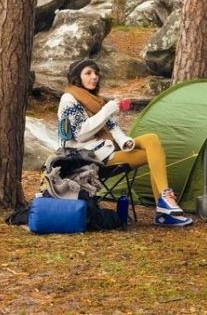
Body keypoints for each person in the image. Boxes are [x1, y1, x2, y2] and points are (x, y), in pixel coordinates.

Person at [57, 59, 193, 227]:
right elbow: (79, 134)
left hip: (106, 150)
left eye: (96, 73)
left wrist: (125, 142)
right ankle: (164, 212)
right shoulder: (69, 99)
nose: (94, 77)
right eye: (88, 73)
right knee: (153, 155)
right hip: (87, 158)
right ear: (77, 77)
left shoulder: (95, 100)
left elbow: (113, 129)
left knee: (151, 140)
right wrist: (107, 110)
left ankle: (164, 200)